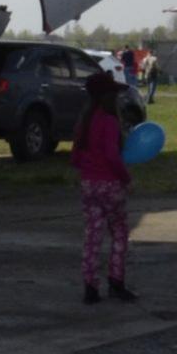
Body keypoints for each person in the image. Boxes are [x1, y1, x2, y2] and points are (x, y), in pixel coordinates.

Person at [72, 69, 136, 305]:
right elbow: (112, 154)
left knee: (93, 234)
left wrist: (85, 169)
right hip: (109, 184)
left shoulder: (85, 121)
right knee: (119, 231)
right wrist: (126, 178)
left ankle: (90, 286)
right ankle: (116, 281)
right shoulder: (109, 121)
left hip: (88, 184)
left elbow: (75, 157)